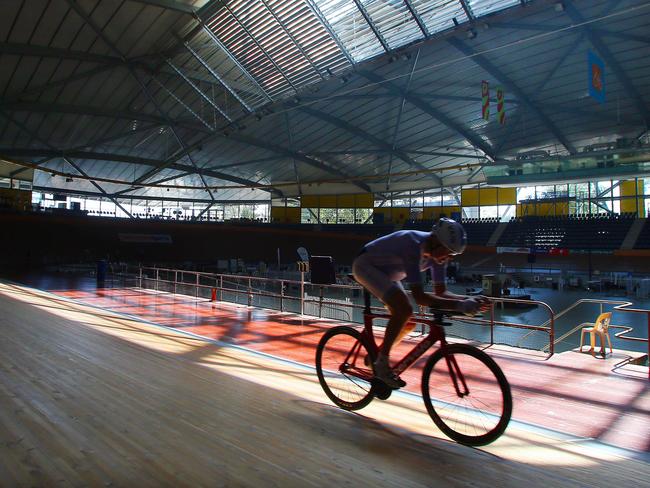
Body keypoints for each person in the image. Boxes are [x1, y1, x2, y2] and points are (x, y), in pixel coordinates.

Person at [352, 218, 490, 388]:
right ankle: (382, 362)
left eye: (452, 255)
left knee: (408, 323)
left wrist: (467, 300)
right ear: (435, 241)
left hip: (387, 274)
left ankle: (378, 355)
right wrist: (460, 306)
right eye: (447, 252)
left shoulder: (436, 256)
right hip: (365, 265)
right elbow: (420, 297)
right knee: (403, 309)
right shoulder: (413, 245)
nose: (448, 258)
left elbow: (442, 293)